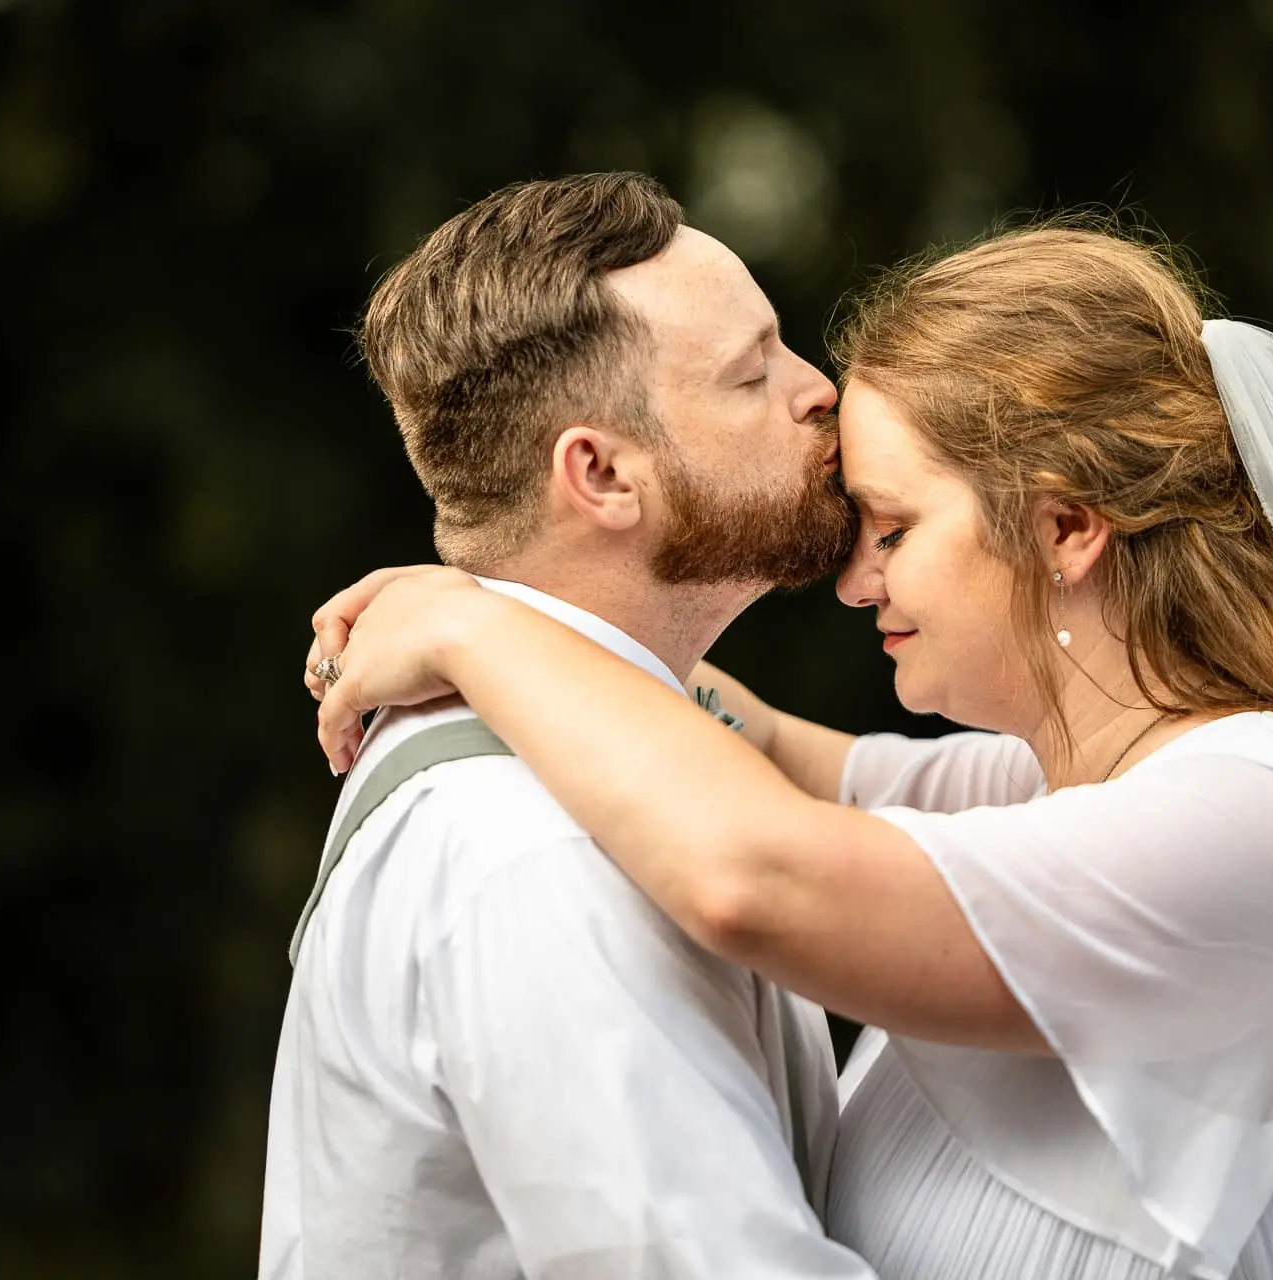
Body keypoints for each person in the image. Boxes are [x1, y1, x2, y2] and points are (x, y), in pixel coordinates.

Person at [306, 224, 1273, 1279]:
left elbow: (762, 864)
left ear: (1067, 526)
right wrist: (515, 604)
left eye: (895, 524)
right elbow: (756, 744)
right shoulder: (1062, 784)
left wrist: (475, 625)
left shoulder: (1265, 823)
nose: (858, 573)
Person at [260, 172, 876, 1279]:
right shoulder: (533, 847)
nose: (821, 390)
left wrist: (472, 618)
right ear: (599, 473)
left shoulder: (594, 753)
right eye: (754, 373)